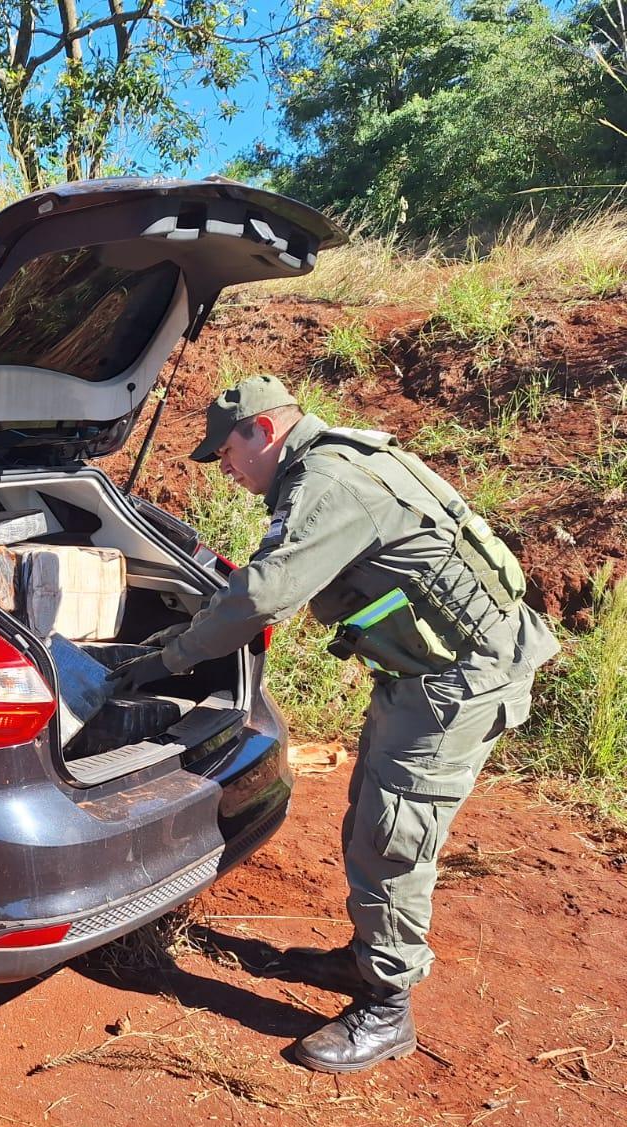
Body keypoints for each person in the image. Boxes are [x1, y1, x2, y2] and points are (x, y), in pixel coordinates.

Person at [109, 375, 558, 1074]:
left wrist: (166, 659)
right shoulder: (341, 459)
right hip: (424, 676)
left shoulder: (326, 481)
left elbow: (263, 595)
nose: (225, 470)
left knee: (393, 840)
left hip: (455, 685)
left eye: (225, 453)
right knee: (370, 821)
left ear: (263, 430)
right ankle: (366, 959)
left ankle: (387, 1007)